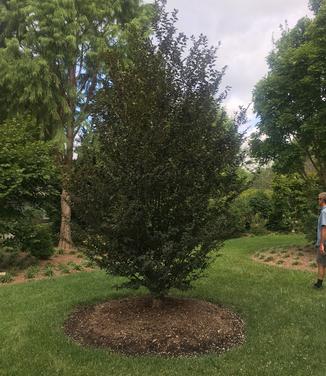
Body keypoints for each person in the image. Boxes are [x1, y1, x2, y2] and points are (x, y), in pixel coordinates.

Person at [314, 192, 326, 289]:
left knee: (321, 263)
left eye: (319, 199)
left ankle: (319, 284)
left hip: (324, 242)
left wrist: (321, 244)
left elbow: (324, 228)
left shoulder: (324, 212)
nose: (318, 200)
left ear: (323, 200)